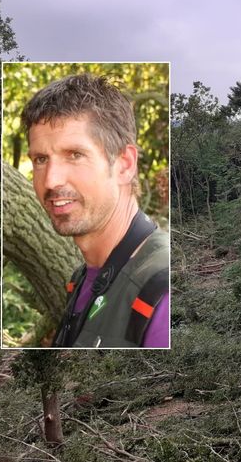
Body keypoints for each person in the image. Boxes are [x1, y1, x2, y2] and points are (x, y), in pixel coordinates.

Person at [21, 73, 169, 348]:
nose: (51, 180)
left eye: (75, 155)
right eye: (41, 159)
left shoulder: (161, 293)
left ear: (124, 164)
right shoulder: (82, 280)